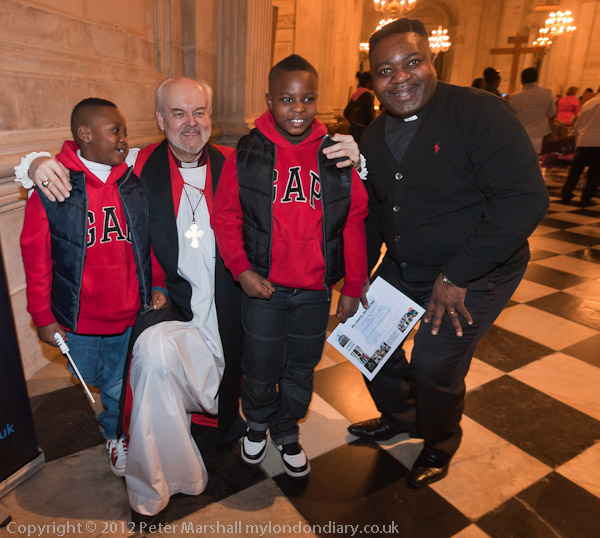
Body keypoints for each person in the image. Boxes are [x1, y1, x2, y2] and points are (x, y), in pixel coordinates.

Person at [16, 77, 361, 522]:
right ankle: (164, 477)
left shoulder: (239, 162)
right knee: (151, 353)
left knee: (275, 368)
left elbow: (307, 176)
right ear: (160, 119)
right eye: (178, 113)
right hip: (179, 311)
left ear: (210, 117)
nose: (191, 123)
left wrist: (354, 158)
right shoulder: (136, 163)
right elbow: (81, 164)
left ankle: (254, 419)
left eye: (199, 112)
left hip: (234, 311)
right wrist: (37, 163)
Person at [347, 18, 549, 489]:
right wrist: (357, 279)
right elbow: (373, 214)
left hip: (476, 270)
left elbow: (525, 200)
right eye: (385, 70)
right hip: (405, 265)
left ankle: (440, 440)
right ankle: (402, 417)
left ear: (433, 60)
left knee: (434, 362)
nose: (400, 78)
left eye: (412, 62)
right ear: (373, 79)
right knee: (363, 340)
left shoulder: (480, 113)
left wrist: (457, 275)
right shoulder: (373, 136)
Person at [211, 54, 368, 479]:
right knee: (261, 365)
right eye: (286, 99)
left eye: (307, 99)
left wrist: (353, 284)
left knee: (301, 366)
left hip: (315, 290)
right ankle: (257, 422)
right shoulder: (248, 152)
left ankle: (286, 429)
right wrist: (242, 270)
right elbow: (226, 216)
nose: (298, 109)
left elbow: (353, 220)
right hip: (265, 289)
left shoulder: (334, 152)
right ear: (269, 101)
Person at [19, 98, 167, 479]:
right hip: (77, 319)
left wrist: (157, 283)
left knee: (117, 383)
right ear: (85, 134)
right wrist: (43, 316)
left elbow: (147, 241)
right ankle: (113, 400)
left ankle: (116, 433)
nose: (124, 139)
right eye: (115, 131)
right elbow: (36, 257)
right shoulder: (54, 187)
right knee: (86, 373)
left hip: (126, 313)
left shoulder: (131, 183)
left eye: (125, 132)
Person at [560, 91, 600, 206]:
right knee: (594, 172)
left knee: (576, 170)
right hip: (598, 142)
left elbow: (579, 122)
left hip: (584, 140)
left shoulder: (588, 103)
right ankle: (586, 197)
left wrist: (574, 134)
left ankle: (566, 193)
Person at [509, 67, 556, 153]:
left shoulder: (515, 96)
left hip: (519, 133)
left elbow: (510, 115)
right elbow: (551, 113)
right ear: (537, 79)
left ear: (522, 80)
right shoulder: (547, 93)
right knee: (533, 156)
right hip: (538, 133)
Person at [344, 71, 376, 142]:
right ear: (368, 83)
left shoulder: (357, 93)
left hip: (354, 128)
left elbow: (346, 112)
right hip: (362, 130)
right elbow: (369, 115)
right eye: (373, 81)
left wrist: (353, 122)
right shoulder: (367, 95)